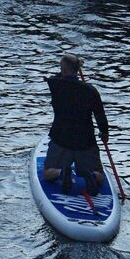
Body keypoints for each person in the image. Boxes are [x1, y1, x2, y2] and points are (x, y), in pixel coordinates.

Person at [42, 53, 110, 196]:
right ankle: (91, 175)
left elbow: (56, 76)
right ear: (78, 70)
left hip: (61, 139)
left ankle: (62, 172)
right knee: (100, 176)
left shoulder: (55, 85)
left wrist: (70, 68)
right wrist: (104, 133)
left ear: (63, 70)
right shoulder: (91, 90)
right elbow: (100, 115)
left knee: (48, 174)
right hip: (86, 141)